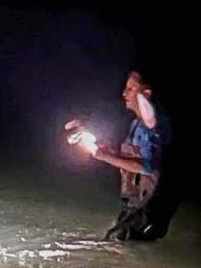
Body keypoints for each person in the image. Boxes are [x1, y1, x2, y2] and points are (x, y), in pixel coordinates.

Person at [69, 71, 175, 240]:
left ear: (146, 93)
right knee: (116, 244)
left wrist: (104, 156)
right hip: (135, 202)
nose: (124, 94)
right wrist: (109, 150)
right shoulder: (137, 123)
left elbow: (146, 167)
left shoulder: (153, 126)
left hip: (147, 206)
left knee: (123, 246)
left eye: (131, 89)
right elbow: (134, 158)